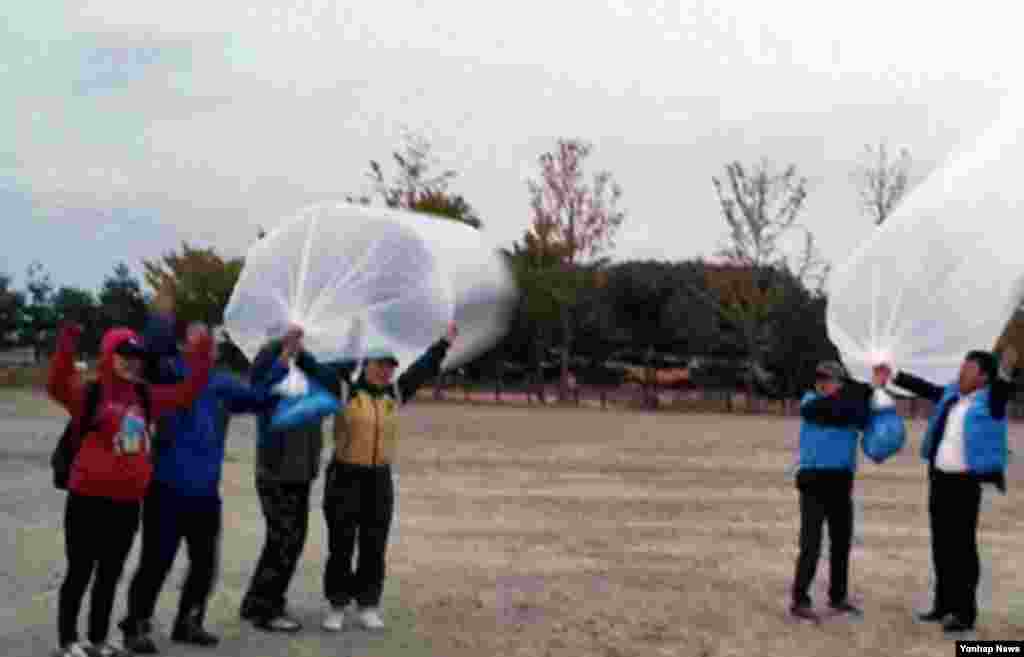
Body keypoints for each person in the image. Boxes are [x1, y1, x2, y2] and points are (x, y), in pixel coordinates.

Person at [117, 310, 299, 653]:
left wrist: (285, 355)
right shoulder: (167, 374)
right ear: (183, 344)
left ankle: (188, 623)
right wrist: (163, 314)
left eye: (212, 340)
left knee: (204, 564)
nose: (210, 344)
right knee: (156, 561)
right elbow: (152, 349)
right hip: (166, 490)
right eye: (201, 338)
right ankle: (136, 625)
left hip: (204, 493)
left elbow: (260, 398)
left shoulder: (222, 383)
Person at [47, 321, 213, 657]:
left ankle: (97, 639)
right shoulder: (90, 394)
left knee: (110, 573)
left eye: (135, 356)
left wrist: (202, 353)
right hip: (87, 498)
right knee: (80, 571)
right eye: (122, 354)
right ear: (108, 355)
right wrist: (66, 344)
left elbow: (186, 393)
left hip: (127, 502)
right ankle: (67, 642)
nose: (130, 361)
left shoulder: (144, 395)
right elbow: (56, 385)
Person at [319, 321, 458, 632]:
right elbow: (317, 370)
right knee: (341, 544)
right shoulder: (345, 391)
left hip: (379, 480)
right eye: (380, 365)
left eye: (390, 366)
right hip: (345, 477)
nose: (386, 371)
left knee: (374, 544)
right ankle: (337, 605)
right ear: (366, 364)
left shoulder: (395, 394)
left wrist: (443, 343)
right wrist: (296, 350)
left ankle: (368, 604)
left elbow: (423, 369)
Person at [881, 346, 1017, 635]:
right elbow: (925, 388)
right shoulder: (952, 394)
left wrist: (1005, 370)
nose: (961, 372)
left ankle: (964, 614)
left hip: (965, 486)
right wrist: (895, 374)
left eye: (968, 369)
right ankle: (942, 606)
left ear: (983, 377)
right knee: (941, 546)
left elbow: (1004, 390)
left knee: (963, 550)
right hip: (940, 480)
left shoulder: (992, 401)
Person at [238, 325, 348, 632]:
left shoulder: (312, 364)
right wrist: (283, 357)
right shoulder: (268, 357)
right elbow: (255, 391)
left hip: (301, 470)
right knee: (283, 540)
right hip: (275, 469)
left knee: (289, 540)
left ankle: (257, 600)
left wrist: (305, 357)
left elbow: (334, 386)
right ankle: (267, 608)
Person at [789, 360, 881, 623]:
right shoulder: (811, 403)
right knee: (811, 545)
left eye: (831, 379)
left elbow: (862, 418)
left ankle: (838, 597)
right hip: (813, 481)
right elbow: (838, 409)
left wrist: (868, 390)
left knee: (841, 543)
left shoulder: (848, 405)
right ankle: (800, 600)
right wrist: (865, 388)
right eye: (822, 379)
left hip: (841, 481)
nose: (825, 383)